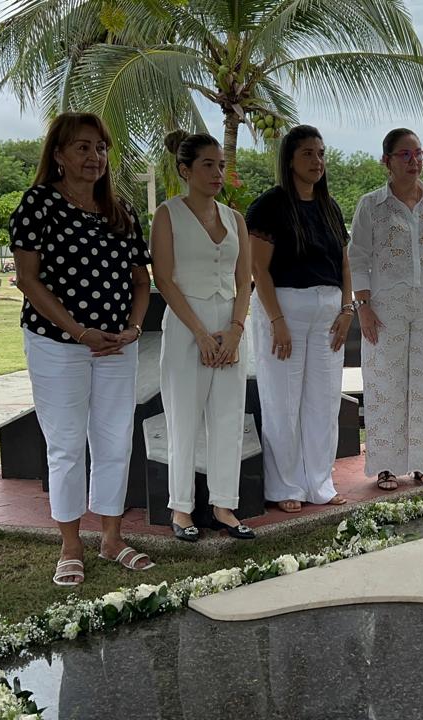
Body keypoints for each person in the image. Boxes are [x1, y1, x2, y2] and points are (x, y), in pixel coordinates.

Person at [10, 112, 155, 586]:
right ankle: (71, 545)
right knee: (67, 446)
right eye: (82, 148)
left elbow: (141, 281)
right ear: (58, 155)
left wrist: (133, 329)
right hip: (58, 345)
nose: (95, 157)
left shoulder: (122, 210)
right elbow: (28, 281)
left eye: (101, 148)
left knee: (115, 440)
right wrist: (77, 331)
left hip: (118, 345)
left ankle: (111, 538)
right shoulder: (39, 205)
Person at [349, 128, 423, 491]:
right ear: (386, 161)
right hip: (385, 308)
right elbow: (358, 257)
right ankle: (386, 465)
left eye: (419, 154)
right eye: (405, 155)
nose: (414, 161)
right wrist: (363, 306)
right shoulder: (371, 205)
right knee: (385, 381)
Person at [152, 131, 255, 542]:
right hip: (184, 326)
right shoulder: (168, 214)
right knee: (183, 417)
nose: (217, 173)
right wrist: (200, 333)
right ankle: (181, 508)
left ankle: (224, 506)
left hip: (230, 323)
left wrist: (234, 331)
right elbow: (163, 277)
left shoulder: (235, 219)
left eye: (221, 165)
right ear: (185, 170)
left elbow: (242, 279)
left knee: (229, 416)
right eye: (208, 165)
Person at [246, 125, 353, 513]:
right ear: (290, 158)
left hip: (328, 316)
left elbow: (344, 263)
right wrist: (276, 320)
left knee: (322, 403)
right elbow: (260, 269)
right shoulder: (269, 206)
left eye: (321, 153)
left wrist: (347, 310)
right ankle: (285, 485)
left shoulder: (329, 206)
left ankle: (319, 483)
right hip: (284, 314)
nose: (317, 161)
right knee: (283, 402)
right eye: (308, 153)